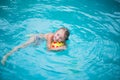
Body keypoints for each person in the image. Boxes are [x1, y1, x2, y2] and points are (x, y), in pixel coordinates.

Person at [1, 27, 70, 65]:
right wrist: (60, 48)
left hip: (42, 41)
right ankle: (6, 55)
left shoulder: (64, 43)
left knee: (33, 47)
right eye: (57, 34)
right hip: (37, 38)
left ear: (64, 40)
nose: (57, 38)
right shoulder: (50, 36)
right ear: (55, 32)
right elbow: (48, 49)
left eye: (60, 38)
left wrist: (62, 48)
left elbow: (64, 47)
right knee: (22, 46)